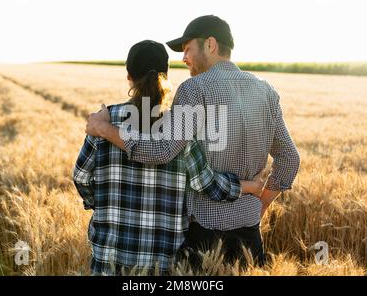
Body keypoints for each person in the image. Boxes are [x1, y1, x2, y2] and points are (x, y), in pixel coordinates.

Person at [85, 15, 300, 267]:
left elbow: (162, 151)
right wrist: (260, 204)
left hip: (203, 235)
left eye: (187, 49)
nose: (183, 58)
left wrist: (103, 129)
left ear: (210, 45)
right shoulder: (266, 91)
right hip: (249, 235)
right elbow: (289, 159)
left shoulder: (194, 89)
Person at [73, 40, 265, 275]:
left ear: (128, 76)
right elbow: (205, 184)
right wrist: (250, 186)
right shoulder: (181, 126)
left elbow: (81, 177)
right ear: (165, 75)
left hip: (110, 260)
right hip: (164, 265)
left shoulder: (103, 122)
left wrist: (103, 207)